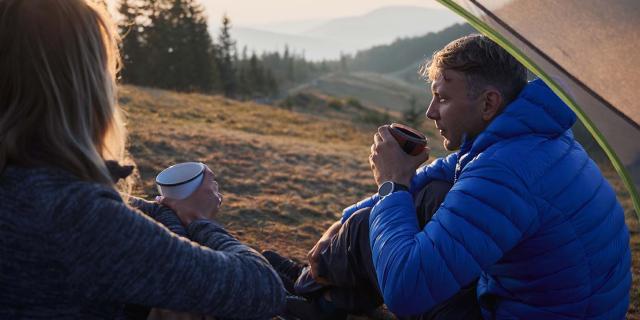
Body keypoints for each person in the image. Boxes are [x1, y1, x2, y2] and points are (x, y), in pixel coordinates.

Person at [267, 34, 631, 319]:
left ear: (488, 103)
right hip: (549, 305)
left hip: (515, 312)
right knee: (424, 194)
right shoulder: (532, 138)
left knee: (388, 217)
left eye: (442, 99)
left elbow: (406, 292)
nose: (430, 112)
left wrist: (391, 185)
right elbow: (442, 171)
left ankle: (311, 292)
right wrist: (351, 216)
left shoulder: (503, 172)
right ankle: (323, 289)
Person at [0, 0, 285, 318]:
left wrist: (165, 213)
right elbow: (259, 289)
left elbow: (126, 213)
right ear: (84, 88)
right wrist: (200, 222)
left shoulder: (24, 186)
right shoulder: (73, 213)